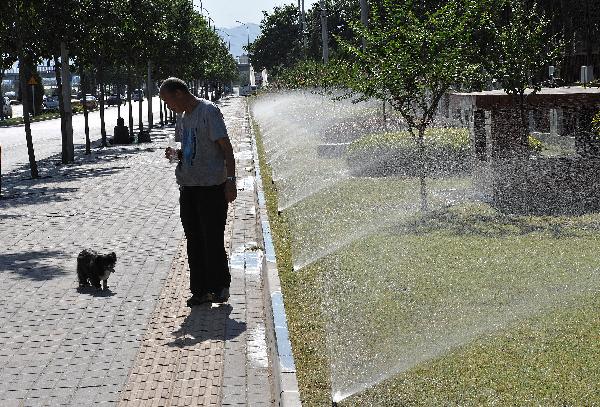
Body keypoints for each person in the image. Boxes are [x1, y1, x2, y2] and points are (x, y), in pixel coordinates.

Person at [160, 77, 237, 307]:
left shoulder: (208, 112)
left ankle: (220, 287)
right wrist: (175, 154)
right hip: (189, 187)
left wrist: (231, 180)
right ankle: (200, 290)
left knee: (212, 237)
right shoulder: (182, 118)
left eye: (167, 100)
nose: (167, 106)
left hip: (211, 187)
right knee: (193, 239)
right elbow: (188, 149)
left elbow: (227, 148)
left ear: (179, 93)